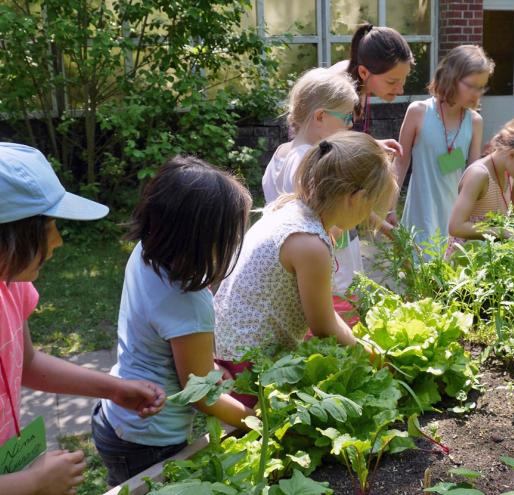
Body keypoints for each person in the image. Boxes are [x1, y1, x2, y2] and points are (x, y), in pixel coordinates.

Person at [0, 143, 165, 495]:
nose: (58, 241)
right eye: (48, 228)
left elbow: (26, 363)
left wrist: (113, 389)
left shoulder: (9, 285)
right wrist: (28, 483)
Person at [92, 156, 255, 486]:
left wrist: (206, 367)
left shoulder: (147, 252)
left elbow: (170, 343)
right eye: (228, 235)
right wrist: (255, 421)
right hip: (148, 439)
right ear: (198, 238)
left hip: (117, 418)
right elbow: (199, 394)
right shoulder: (187, 300)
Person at [215, 131, 396, 366]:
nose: (368, 216)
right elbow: (324, 326)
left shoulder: (293, 208)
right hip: (248, 364)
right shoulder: (311, 244)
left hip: (228, 346)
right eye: (371, 205)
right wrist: (376, 360)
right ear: (357, 198)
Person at [262, 68, 362, 324]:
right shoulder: (310, 163)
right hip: (330, 281)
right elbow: (321, 229)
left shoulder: (283, 153)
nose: (351, 124)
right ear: (320, 116)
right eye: (347, 117)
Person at [389, 45, 494, 248]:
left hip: (455, 219)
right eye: (471, 85)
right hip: (420, 213)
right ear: (451, 77)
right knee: (417, 275)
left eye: (481, 87)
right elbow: (400, 163)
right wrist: (389, 206)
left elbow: (473, 175)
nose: (477, 93)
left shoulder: (474, 121)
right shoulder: (418, 112)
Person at [446, 114, 514, 253]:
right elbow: (456, 226)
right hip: (466, 259)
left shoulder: (510, 174)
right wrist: (499, 232)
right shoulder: (479, 175)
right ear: (512, 155)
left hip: (490, 255)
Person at [331, 22, 413, 155]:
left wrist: (374, 144)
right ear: (363, 72)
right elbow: (325, 143)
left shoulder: (361, 82)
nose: (400, 91)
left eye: (403, 80)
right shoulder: (338, 86)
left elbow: (341, 139)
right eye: (392, 82)